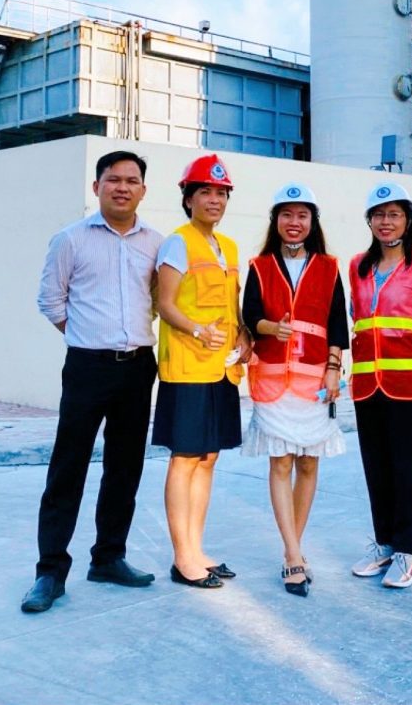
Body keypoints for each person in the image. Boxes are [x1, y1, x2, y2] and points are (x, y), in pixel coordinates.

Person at [23, 150, 163, 614]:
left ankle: (108, 558)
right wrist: (87, 337)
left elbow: (160, 299)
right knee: (69, 467)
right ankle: (50, 572)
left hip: (138, 367)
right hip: (87, 367)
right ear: (96, 186)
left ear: (143, 189)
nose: (122, 187)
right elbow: (51, 300)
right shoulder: (71, 239)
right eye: (113, 179)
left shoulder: (157, 243)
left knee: (125, 466)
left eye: (131, 180)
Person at [241, 183, 349, 597]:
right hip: (273, 381)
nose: (294, 222)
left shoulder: (329, 267)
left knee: (308, 464)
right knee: (281, 462)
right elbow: (249, 314)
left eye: (302, 215)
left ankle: (295, 547)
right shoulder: (260, 266)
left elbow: (337, 323)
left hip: (315, 380)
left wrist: (333, 369)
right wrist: (270, 327)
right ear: (276, 221)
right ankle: (292, 554)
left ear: (312, 222)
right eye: (287, 215)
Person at [151, 153, 253, 589]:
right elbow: (165, 303)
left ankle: (196, 549)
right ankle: (182, 558)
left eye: (221, 193)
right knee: (185, 458)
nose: (214, 200)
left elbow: (232, 304)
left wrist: (245, 336)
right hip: (188, 368)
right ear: (188, 198)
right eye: (205, 192)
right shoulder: (178, 243)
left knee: (208, 458)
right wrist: (197, 329)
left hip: (222, 370)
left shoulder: (228, 247)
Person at [349, 183, 412, 589]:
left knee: (408, 468)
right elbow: (358, 320)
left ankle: (408, 552)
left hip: (409, 385)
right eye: (378, 215)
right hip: (367, 384)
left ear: (407, 220)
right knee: (377, 467)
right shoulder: (358, 266)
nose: (385, 222)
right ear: (369, 221)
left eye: (394, 214)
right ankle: (386, 543)